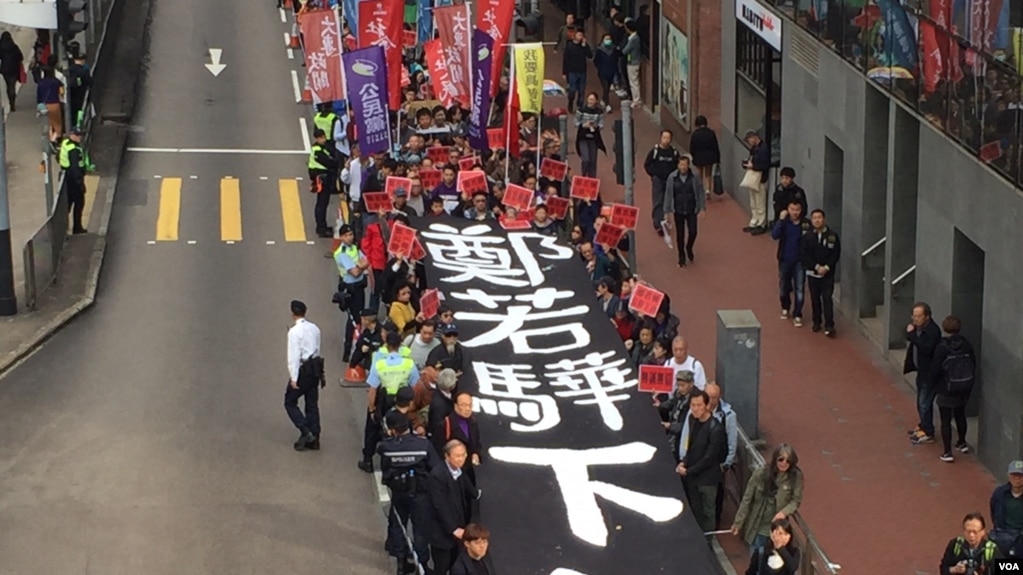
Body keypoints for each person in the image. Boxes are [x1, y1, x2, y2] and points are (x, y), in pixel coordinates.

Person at [378, 410, 440, 575]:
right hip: (420, 494)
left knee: (398, 526)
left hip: (399, 493)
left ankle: (401, 563)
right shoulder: (423, 445)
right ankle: (422, 565)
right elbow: (436, 468)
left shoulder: (386, 448)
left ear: (392, 430)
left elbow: (385, 471)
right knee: (420, 529)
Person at [361, 331, 420, 473]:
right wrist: (412, 406)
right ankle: (399, 462)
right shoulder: (408, 362)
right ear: (400, 344)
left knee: (372, 430)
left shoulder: (380, 364)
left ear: (386, 345)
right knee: (402, 430)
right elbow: (414, 386)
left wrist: (372, 409)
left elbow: (372, 389)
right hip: (402, 403)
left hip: (383, 400)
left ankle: (368, 460)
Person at [732, 444, 804, 550]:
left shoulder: (795, 477)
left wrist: (783, 513)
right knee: (756, 559)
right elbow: (747, 499)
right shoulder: (760, 474)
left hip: (777, 528)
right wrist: (738, 522)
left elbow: (796, 500)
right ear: (775, 459)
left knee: (773, 561)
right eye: (781, 459)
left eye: (788, 461)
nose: (784, 463)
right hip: (757, 525)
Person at [675, 390, 727, 539]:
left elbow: (709, 458)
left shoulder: (715, 428)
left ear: (706, 406)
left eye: (699, 405)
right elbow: (691, 446)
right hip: (692, 475)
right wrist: (684, 462)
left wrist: (688, 470)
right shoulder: (692, 419)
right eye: (693, 405)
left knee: (707, 512)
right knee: (695, 509)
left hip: (708, 479)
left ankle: (708, 541)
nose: (695, 409)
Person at [427, 440, 480, 575]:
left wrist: (477, 494)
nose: (461, 459)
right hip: (442, 533)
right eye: (457, 456)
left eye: (463, 455)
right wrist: (453, 529)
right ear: (447, 456)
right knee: (442, 567)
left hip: (460, 530)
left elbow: (470, 491)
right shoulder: (437, 475)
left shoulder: (459, 471)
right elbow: (440, 505)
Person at [932, 315, 976, 462]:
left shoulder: (942, 347)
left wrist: (935, 384)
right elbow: (973, 363)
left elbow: (936, 369)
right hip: (964, 386)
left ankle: (947, 452)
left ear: (944, 328)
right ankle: (962, 442)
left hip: (946, 387)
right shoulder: (966, 344)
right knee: (960, 414)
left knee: (945, 419)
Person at [284, 300, 324, 451]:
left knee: (289, 401)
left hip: (303, 369)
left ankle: (306, 431)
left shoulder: (294, 332)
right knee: (312, 404)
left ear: (293, 314)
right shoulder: (314, 328)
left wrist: (294, 378)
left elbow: (293, 356)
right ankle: (316, 437)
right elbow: (318, 347)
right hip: (315, 368)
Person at [905, 302, 942, 445]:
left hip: (929, 374)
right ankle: (923, 425)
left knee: (924, 403)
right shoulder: (917, 328)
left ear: (927, 317)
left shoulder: (932, 331)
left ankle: (928, 432)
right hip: (921, 371)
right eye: (914, 316)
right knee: (920, 402)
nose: (915, 319)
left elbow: (926, 348)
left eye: (919, 316)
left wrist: (912, 334)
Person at [800, 209, 840, 337]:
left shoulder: (832, 236)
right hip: (812, 273)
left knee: (827, 298)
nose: (817, 220)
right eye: (814, 218)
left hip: (827, 274)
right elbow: (804, 254)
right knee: (815, 298)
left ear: (824, 219)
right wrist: (816, 267)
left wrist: (826, 267)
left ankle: (830, 325)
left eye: (819, 217)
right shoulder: (807, 237)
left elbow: (835, 254)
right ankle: (816, 322)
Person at [333, 224, 370, 362]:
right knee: (353, 320)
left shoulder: (354, 248)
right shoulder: (341, 253)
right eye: (346, 235)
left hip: (360, 287)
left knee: (360, 316)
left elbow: (367, 261)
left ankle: (358, 346)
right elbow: (354, 273)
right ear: (341, 237)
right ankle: (347, 349)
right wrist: (360, 266)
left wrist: (359, 266)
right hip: (350, 288)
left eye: (351, 234)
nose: (350, 237)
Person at [771, 201, 810, 327]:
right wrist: (781, 221)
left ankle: (797, 314)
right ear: (788, 209)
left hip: (800, 262)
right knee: (784, 286)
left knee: (799, 288)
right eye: (792, 209)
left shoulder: (806, 224)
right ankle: (785, 306)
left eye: (797, 209)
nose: (795, 212)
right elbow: (774, 235)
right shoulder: (785, 223)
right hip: (785, 260)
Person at [662, 155, 706, 267]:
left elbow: (700, 192)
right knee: (680, 235)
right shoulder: (672, 178)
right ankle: (681, 257)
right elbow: (668, 194)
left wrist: (702, 208)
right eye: (681, 165)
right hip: (678, 209)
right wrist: (667, 211)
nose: (683, 167)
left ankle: (689, 247)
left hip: (691, 209)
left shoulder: (694, 177)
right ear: (678, 165)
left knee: (693, 232)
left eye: (685, 165)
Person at [308, 128, 339, 237]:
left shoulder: (321, 148)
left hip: (323, 178)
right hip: (321, 179)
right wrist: (335, 163)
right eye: (322, 137)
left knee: (323, 204)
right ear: (317, 138)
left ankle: (322, 226)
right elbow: (328, 162)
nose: (324, 139)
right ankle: (321, 228)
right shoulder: (317, 150)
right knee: (321, 204)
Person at [989, 460, 1023, 557]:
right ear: (1008, 475)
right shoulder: (999, 493)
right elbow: (993, 511)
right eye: (1014, 475)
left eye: (1020, 476)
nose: (1017, 479)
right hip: (1003, 537)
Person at [741, 130, 772, 235]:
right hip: (754, 177)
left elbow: (765, 165)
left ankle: (761, 223)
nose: (749, 143)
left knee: (760, 201)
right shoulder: (755, 148)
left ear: (754, 137)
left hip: (760, 178)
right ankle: (754, 222)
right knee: (753, 201)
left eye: (749, 140)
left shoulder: (763, 149)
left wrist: (753, 166)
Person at [59, 128, 88, 234]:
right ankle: (77, 228)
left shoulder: (66, 143)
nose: (80, 137)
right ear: (72, 135)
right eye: (78, 135)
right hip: (73, 181)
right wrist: (80, 183)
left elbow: (59, 157)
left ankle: (62, 229)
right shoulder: (74, 150)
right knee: (79, 203)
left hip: (66, 178)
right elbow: (75, 168)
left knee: (68, 204)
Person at [688, 116, 721, 199]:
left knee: (699, 173)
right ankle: (708, 189)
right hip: (710, 156)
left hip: (699, 156)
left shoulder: (695, 134)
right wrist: (717, 158)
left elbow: (692, 147)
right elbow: (715, 146)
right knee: (708, 173)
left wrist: (693, 156)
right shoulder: (711, 133)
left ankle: (699, 189)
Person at [574, 93, 605, 177]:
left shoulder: (599, 112)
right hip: (583, 137)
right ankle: (584, 175)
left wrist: (595, 125)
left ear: (596, 101)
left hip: (594, 138)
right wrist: (584, 125)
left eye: (592, 100)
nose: (590, 101)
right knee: (586, 159)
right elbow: (576, 123)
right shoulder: (581, 110)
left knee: (593, 160)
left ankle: (592, 179)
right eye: (589, 99)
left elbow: (601, 124)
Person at [562, 29, 592, 113]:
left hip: (582, 71)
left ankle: (580, 105)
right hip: (572, 71)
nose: (580, 37)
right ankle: (571, 101)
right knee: (572, 89)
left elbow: (590, 55)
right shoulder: (570, 46)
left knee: (581, 90)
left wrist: (585, 46)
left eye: (582, 35)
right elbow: (566, 59)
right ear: (575, 36)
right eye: (579, 35)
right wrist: (564, 72)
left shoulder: (584, 46)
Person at [593, 33, 619, 112]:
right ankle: (607, 105)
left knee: (607, 89)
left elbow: (616, 59)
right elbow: (596, 60)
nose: (608, 40)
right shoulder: (600, 50)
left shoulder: (614, 49)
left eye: (609, 39)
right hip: (602, 72)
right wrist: (600, 68)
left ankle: (603, 100)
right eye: (606, 39)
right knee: (605, 87)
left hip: (611, 72)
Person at [0, 32, 23, 112]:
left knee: (8, 85)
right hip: (14, 69)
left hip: (5, 70)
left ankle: (11, 101)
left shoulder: (1, 47)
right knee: (12, 85)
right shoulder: (14, 47)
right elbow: (20, 57)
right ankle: (12, 102)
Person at [622, 20, 642, 106]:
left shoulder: (633, 39)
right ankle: (636, 99)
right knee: (634, 81)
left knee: (633, 82)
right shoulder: (635, 38)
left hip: (633, 62)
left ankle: (636, 100)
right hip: (635, 61)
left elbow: (625, 50)